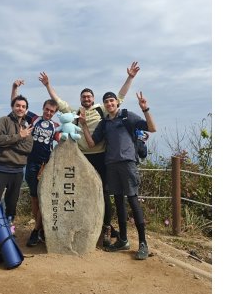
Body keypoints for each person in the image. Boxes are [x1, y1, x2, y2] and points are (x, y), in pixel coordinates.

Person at [39, 61, 140, 247]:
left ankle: (106, 227)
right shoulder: (75, 113)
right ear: (81, 99)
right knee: (81, 193)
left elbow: (121, 96)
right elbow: (59, 102)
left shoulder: (101, 109)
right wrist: (47, 86)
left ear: (93, 99)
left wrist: (130, 77)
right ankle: (84, 225)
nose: (86, 99)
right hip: (82, 157)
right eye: (84, 96)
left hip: (102, 156)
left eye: (89, 96)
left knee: (105, 192)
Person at [79, 91, 157, 260]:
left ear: (117, 103)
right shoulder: (104, 123)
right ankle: (123, 239)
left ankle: (143, 242)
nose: (109, 103)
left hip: (128, 163)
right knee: (119, 201)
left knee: (133, 200)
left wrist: (145, 109)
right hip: (111, 165)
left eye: (111, 100)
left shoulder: (127, 116)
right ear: (104, 105)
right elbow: (92, 143)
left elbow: (152, 128)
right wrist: (84, 126)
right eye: (106, 101)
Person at [10, 79, 61, 247]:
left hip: (46, 164)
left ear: (54, 113)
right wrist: (15, 88)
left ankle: (37, 230)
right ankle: (39, 229)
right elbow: (17, 106)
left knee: (44, 197)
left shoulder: (55, 126)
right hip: (31, 162)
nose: (48, 113)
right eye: (47, 109)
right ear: (43, 108)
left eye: (52, 111)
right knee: (34, 197)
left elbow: (62, 139)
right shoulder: (34, 118)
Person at [0, 95, 34, 235]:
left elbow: (28, 148)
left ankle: (8, 229)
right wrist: (19, 137)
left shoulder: (26, 126)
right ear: (12, 106)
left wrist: (10, 144)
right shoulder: (4, 121)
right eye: (18, 105)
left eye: (23, 106)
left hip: (18, 171)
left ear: (26, 109)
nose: (20, 108)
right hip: (0, 167)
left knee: (12, 204)